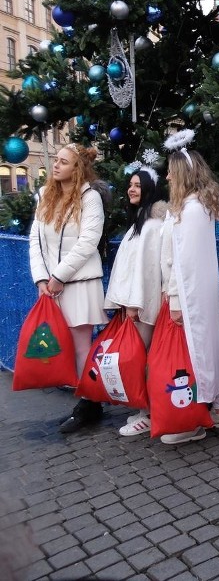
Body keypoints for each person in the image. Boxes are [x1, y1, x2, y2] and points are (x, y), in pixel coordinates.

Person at [29, 143, 108, 433]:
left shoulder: (90, 198)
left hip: (80, 284)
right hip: (51, 286)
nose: (56, 165)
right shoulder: (44, 196)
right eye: (56, 160)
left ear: (77, 168)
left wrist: (59, 275)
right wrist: (41, 279)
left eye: (63, 162)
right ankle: (86, 399)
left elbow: (88, 241)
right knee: (61, 344)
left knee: (81, 346)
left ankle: (88, 403)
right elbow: (36, 242)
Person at [159, 134, 219, 444]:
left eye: (171, 171)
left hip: (190, 293)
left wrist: (174, 297)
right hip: (202, 290)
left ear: (182, 174)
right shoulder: (199, 206)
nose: (167, 176)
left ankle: (198, 414)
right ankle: (218, 408)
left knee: (198, 347)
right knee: (208, 342)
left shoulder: (188, 211)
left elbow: (181, 260)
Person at [105, 166, 167, 437]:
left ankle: (150, 415)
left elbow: (148, 272)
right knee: (138, 359)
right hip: (133, 304)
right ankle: (146, 410)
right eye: (130, 184)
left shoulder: (152, 226)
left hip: (142, 306)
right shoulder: (140, 222)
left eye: (138, 185)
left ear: (149, 190)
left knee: (142, 359)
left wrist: (135, 304)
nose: (131, 189)